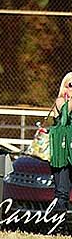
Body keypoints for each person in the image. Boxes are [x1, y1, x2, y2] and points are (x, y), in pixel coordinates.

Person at [50, 72, 72, 214]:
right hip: (62, 151)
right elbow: (65, 117)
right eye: (71, 85)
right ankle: (59, 223)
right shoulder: (60, 101)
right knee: (62, 191)